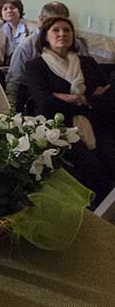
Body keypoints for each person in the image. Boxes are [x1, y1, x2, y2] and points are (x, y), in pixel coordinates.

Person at [26, 16, 114, 199]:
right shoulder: (36, 66)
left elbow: (107, 97)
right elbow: (44, 102)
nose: (62, 34)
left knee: (110, 157)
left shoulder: (87, 63)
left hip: (93, 122)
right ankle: (98, 206)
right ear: (45, 37)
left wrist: (71, 98)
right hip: (58, 127)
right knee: (90, 165)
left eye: (67, 30)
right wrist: (89, 99)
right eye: (56, 30)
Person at [6, 1, 85, 107]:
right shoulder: (26, 47)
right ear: (41, 19)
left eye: (65, 27)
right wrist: (10, 107)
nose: (62, 34)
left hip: (79, 103)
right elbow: (14, 80)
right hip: (37, 100)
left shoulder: (76, 44)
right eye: (55, 28)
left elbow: (88, 74)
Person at [0, 0, 31, 67]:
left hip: (22, 66)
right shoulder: (0, 26)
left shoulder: (28, 29)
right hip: (3, 65)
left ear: (20, 11)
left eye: (12, 8)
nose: (9, 11)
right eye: (5, 9)